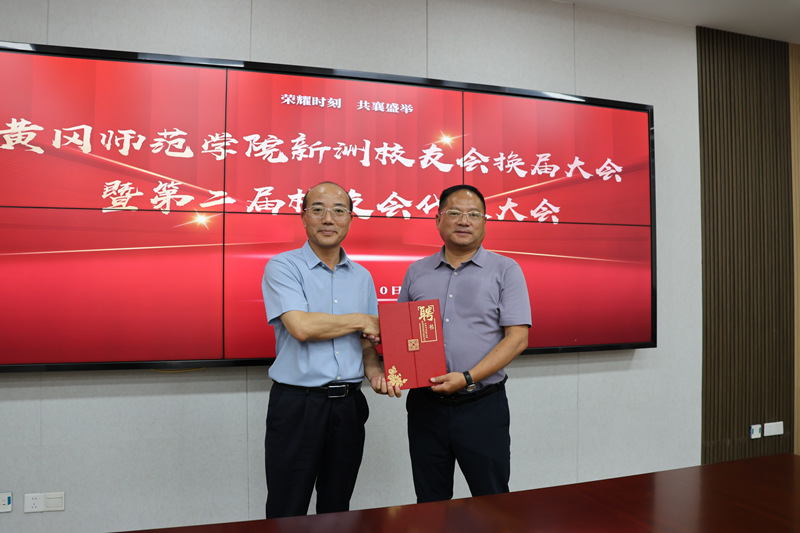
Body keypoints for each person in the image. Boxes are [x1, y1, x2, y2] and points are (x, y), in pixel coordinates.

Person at [261, 181, 400, 518]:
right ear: (303, 217)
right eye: (318, 210)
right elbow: (301, 327)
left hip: (349, 407)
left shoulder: (362, 276)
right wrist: (363, 320)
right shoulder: (283, 267)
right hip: (298, 406)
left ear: (350, 219)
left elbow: (367, 342)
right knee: (287, 508)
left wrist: (376, 373)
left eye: (338, 211)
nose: (328, 219)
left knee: (337, 509)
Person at [397, 183, 531, 503]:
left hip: (481, 406)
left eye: (473, 214)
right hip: (426, 407)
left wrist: (467, 377)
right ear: (438, 219)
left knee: (492, 502)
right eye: (454, 213)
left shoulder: (506, 270)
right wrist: (384, 344)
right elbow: (403, 334)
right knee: (430, 503)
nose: (464, 221)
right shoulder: (416, 272)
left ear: (484, 222)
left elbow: (517, 338)